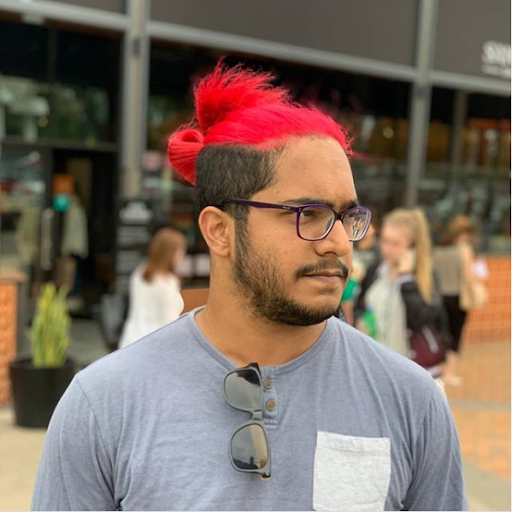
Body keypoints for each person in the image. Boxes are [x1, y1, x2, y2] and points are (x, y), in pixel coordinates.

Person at [32, 64, 466, 511]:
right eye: (308, 214)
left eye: (346, 217)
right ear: (219, 231)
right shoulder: (105, 403)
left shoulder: (412, 400)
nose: (338, 242)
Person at [355, 208, 451, 378]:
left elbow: (421, 318)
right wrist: (361, 320)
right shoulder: (376, 270)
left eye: (395, 244)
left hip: (413, 370)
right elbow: (360, 304)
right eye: (384, 241)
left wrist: (406, 280)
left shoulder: (424, 276)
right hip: (376, 365)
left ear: (412, 246)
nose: (387, 249)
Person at [433, 215, 485, 386]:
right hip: (456, 297)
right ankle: (449, 374)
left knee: (440, 334)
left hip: (438, 296)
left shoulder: (438, 250)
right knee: (455, 335)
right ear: (464, 234)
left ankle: (438, 370)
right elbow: (468, 274)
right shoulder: (464, 250)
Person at [118, 227, 187, 349]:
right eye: (180, 251)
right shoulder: (167, 284)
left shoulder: (140, 273)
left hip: (131, 340)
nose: (182, 256)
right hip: (155, 346)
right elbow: (170, 322)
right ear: (170, 253)